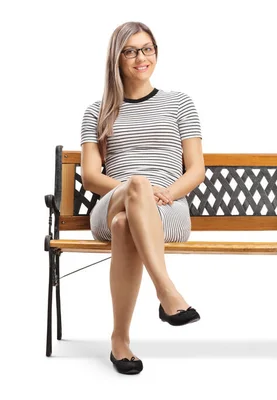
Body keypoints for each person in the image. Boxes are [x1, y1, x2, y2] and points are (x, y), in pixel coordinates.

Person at [80, 21, 205, 374]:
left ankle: (120, 340)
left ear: (156, 53)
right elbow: (91, 177)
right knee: (133, 189)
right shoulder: (97, 111)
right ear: (117, 58)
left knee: (125, 225)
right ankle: (166, 291)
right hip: (111, 203)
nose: (140, 57)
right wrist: (136, 189)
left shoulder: (179, 103)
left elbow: (196, 169)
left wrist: (164, 193)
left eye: (147, 48)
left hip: (169, 209)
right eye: (131, 50)